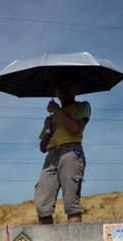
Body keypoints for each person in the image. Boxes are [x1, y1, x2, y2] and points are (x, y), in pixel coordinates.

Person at [35, 75, 91, 224]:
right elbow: (42, 147)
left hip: (71, 151)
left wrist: (58, 111)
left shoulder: (82, 106)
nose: (64, 89)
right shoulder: (52, 117)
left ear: (76, 89)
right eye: (60, 86)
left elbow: (75, 129)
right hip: (52, 154)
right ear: (56, 92)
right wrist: (48, 127)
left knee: (71, 202)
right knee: (42, 203)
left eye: (68, 85)